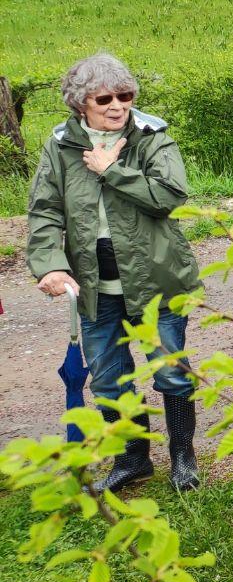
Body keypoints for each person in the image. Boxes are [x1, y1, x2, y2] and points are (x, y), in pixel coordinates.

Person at [27, 52, 203, 494]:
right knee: (108, 376)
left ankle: (183, 455)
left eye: (124, 96)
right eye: (104, 97)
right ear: (79, 102)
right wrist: (50, 265)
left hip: (157, 279)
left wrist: (113, 170)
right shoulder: (61, 146)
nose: (117, 105)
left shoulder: (151, 136)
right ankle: (133, 459)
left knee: (170, 371)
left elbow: (169, 194)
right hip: (94, 287)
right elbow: (44, 212)